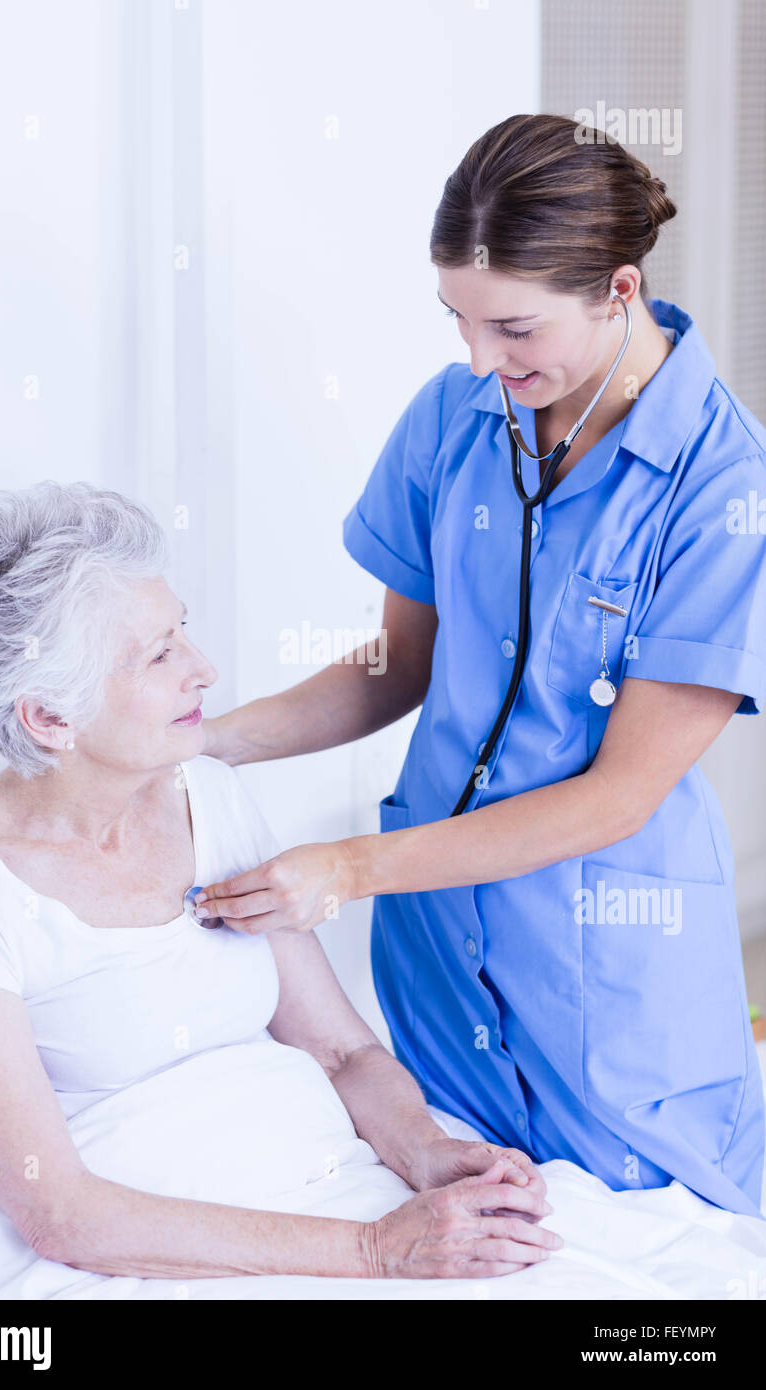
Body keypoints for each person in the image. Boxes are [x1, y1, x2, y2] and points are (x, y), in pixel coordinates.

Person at [193, 113, 766, 1219]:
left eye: (510, 326)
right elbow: (395, 665)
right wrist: (211, 737)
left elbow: (618, 795)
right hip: (435, 951)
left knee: (661, 1250)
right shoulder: (456, 417)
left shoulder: (722, 489)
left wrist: (347, 868)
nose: (477, 361)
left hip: (605, 969)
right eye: (455, 320)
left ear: (618, 288)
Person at [0, 480, 559, 1282]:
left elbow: (344, 1051)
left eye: (183, 632)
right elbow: (60, 1213)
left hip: (323, 1186)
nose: (204, 670)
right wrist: (376, 1251)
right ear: (48, 717)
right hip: (139, 1258)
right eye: (159, 655)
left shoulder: (203, 794)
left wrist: (427, 1152)